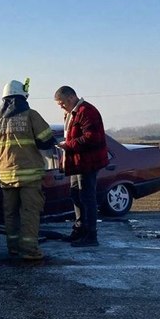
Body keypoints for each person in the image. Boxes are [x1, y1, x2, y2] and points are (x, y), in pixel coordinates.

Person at [0, 79, 56, 260]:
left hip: (6, 176)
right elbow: (46, 140)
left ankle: (13, 247)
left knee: (10, 214)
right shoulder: (31, 115)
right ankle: (30, 250)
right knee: (29, 213)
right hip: (30, 176)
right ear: (23, 97)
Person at [54, 86, 109, 247]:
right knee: (76, 194)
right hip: (77, 162)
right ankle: (79, 230)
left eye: (62, 103)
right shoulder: (73, 113)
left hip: (88, 162)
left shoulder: (86, 111)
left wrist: (68, 145)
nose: (61, 106)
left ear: (71, 98)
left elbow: (92, 137)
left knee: (87, 197)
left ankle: (91, 235)